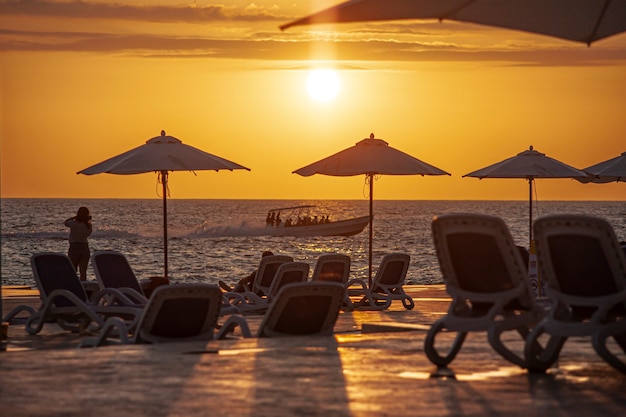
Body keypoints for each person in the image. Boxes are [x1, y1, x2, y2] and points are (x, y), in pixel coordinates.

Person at [64, 206, 92, 281]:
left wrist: (74, 217)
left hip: (74, 248)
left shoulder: (73, 223)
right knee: (83, 272)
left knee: (73, 271)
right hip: (84, 248)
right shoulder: (88, 225)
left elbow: (65, 222)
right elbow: (88, 234)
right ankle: (84, 288)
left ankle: (74, 287)